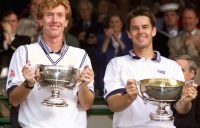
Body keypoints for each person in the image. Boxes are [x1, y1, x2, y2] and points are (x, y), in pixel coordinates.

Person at [103, 6, 197, 128]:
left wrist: (186, 100)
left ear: (153, 31)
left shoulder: (172, 66)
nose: (141, 32)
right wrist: (129, 96)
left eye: (145, 27)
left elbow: (181, 108)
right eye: (135, 28)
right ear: (129, 34)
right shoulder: (116, 64)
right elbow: (113, 105)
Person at [6, 0, 95, 128]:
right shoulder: (24, 52)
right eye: (49, 15)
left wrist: (84, 85)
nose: (54, 20)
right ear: (40, 20)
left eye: (60, 15)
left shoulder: (81, 55)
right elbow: (14, 101)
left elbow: (86, 105)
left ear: (66, 22)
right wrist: (28, 83)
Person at [95, 11, 132, 96]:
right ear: (108, 25)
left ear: (122, 24)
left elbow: (128, 54)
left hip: (124, 73)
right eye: (112, 22)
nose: (114, 24)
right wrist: (107, 38)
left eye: (117, 21)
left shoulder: (128, 37)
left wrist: (116, 37)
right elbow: (99, 57)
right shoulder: (101, 38)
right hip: (105, 72)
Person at [172, 54, 200, 128]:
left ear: (192, 74)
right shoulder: (166, 92)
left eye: (181, 70)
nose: (176, 74)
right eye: (174, 71)